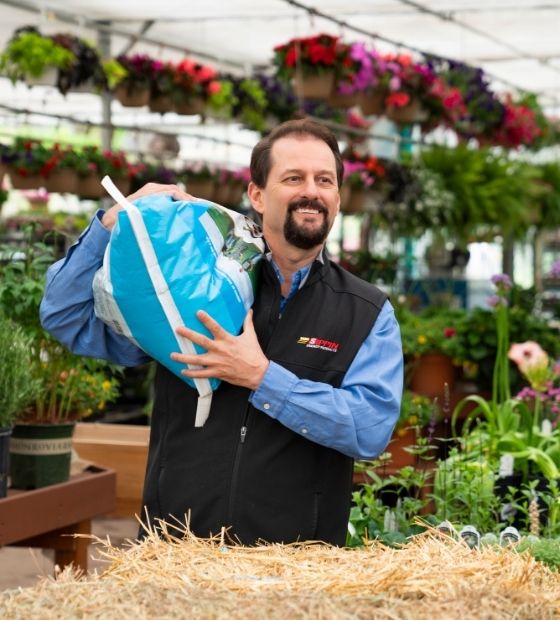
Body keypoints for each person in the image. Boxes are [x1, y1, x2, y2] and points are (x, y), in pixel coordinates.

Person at [40, 118, 403, 546]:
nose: (312, 190)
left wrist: (262, 377)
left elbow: (369, 428)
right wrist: (112, 222)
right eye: (293, 178)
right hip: (177, 551)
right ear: (257, 195)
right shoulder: (189, 289)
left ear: (338, 198)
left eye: (324, 180)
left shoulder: (366, 311)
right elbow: (64, 314)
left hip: (297, 566)